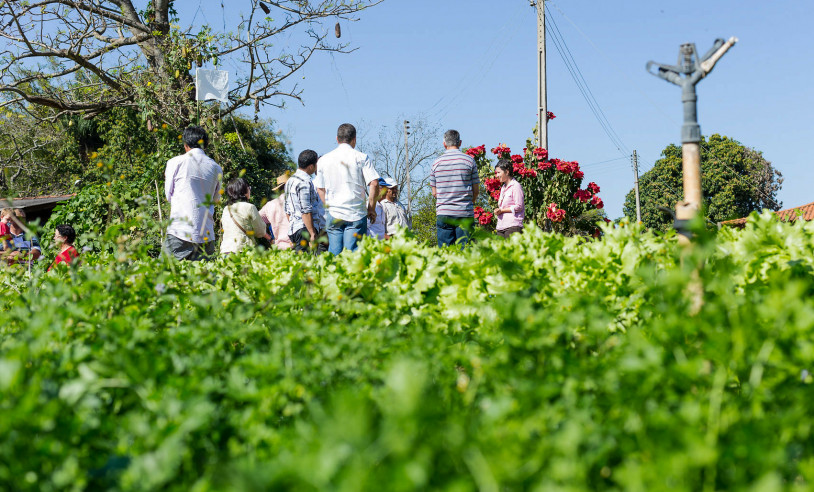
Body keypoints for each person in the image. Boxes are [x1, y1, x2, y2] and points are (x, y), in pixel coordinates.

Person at [315, 123, 380, 254]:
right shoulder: (362, 157)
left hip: (334, 214)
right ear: (354, 139)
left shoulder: (323, 160)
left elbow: (320, 189)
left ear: (337, 139)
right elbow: (374, 183)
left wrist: (329, 206)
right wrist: (371, 208)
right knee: (352, 255)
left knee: (334, 253)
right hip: (356, 213)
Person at [164, 126, 223, 261]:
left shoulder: (175, 162)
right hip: (206, 233)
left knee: (164, 276)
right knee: (204, 280)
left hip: (180, 230)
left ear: (186, 145)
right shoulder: (216, 168)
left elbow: (168, 195)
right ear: (205, 145)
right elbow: (215, 200)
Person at [430, 129, 479, 247]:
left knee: (445, 253)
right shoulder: (469, 161)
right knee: (465, 252)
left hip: (444, 212)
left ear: (444, 144)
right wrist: (469, 202)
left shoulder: (436, 163)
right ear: (460, 143)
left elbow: (434, 193)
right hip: (464, 212)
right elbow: (476, 190)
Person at [286, 150, 328, 254]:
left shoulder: (290, 181)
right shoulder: (304, 181)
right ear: (311, 166)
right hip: (304, 230)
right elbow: (306, 210)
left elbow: (287, 210)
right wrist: (312, 233)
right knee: (306, 265)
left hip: (294, 228)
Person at [220, 178, 271, 255]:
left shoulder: (226, 209)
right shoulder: (249, 207)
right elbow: (260, 231)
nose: (250, 190)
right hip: (242, 250)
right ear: (243, 190)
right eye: (249, 188)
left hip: (226, 250)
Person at [259, 173, 293, 250]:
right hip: (298, 245)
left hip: (279, 246)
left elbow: (256, 221)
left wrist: (269, 238)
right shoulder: (297, 201)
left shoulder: (270, 205)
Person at [493, 159, 525, 237]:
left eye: (499, 172)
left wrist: (502, 210)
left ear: (507, 172)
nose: (497, 175)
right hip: (501, 226)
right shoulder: (503, 187)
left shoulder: (515, 186)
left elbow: (519, 206)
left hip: (513, 226)